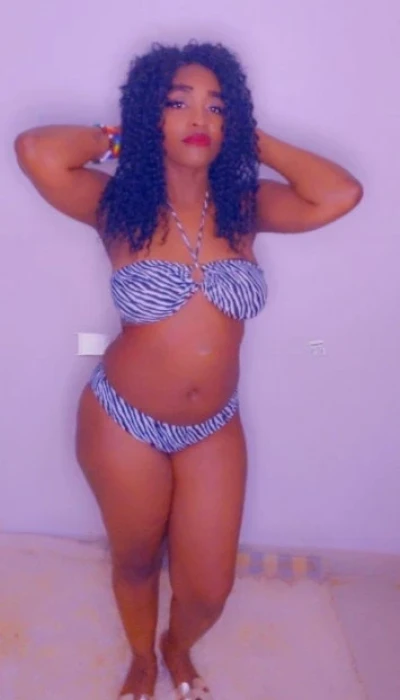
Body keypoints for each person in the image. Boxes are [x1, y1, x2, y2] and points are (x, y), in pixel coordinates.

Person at [14, 41, 363, 700]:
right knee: (137, 559)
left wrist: (251, 141)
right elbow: (36, 150)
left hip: (212, 426)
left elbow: (340, 194)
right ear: (153, 115)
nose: (199, 117)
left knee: (208, 588)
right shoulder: (119, 206)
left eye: (216, 107)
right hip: (124, 421)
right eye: (178, 104)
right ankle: (142, 659)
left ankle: (178, 645)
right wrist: (126, 135)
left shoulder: (244, 206)